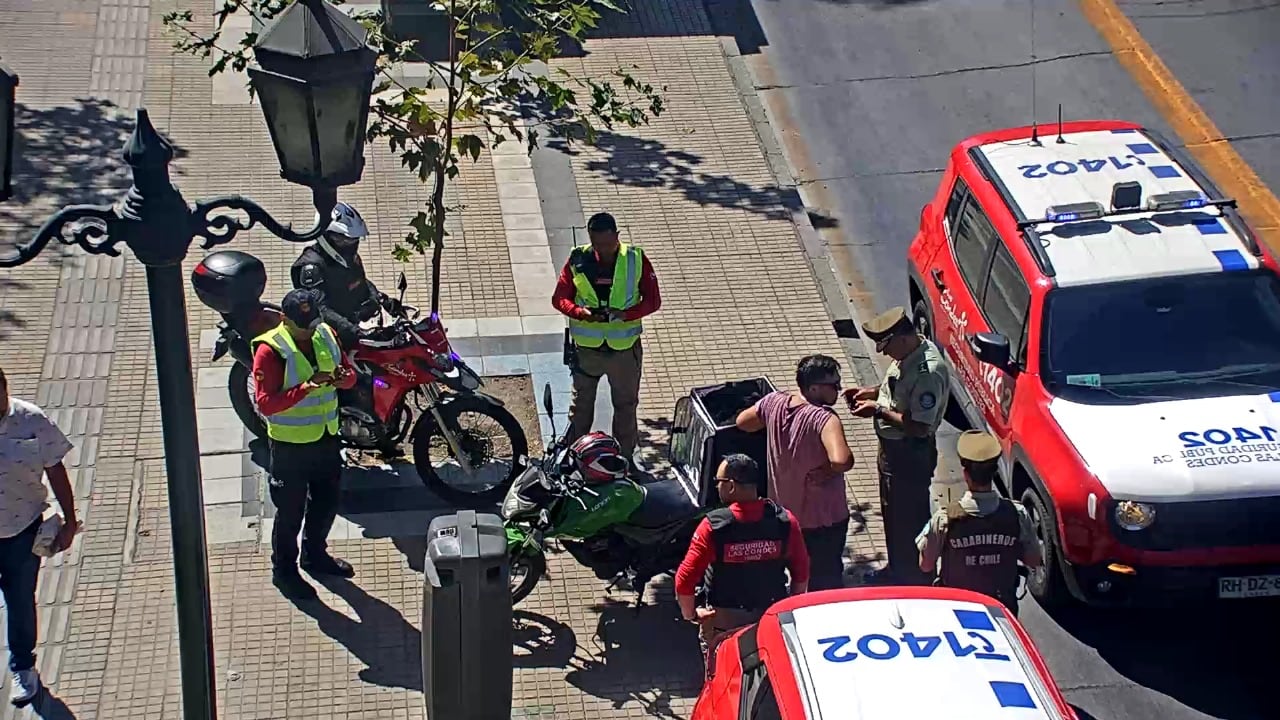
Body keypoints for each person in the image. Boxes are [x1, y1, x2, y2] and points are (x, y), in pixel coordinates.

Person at [253, 289, 359, 601]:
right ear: (284, 319)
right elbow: (266, 404)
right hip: (290, 447)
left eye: (312, 322)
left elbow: (350, 375)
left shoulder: (324, 332)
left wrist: (344, 378)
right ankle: (284, 571)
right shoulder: (271, 350)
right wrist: (307, 386)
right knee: (290, 512)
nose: (309, 329)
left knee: (327, 501)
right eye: (302, 325)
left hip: (325, 436)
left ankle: (315, 554)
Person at [674, 454, 808, 678]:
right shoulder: (785, 522)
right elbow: (801, 572)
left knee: (723, 678)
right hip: (769, 616)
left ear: (732, 486)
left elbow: (684, 581)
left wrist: (691, 615)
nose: (717, 487)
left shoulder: (713, 527)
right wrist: (788, 610)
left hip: (724, 620)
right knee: (769, 676)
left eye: (719, 482)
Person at [847, 306, 952, 585]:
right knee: (893, 515)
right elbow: (896, 387)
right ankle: (897, 569)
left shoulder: (927, 371)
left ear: (903, 338)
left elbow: (919, 426)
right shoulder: (908, 354)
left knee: (909, 520)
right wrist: (871, 392)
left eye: (885, 345)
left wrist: (878, 411)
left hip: (909, 456)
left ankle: (915, 578)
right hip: (893, 453)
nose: (882, 353)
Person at [735, 355, 854, 591]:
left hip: (783, 516)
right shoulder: (825, 419)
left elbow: (742, 422)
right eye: (834, 385)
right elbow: (842, 460)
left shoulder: (774, 402)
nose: (839, 390)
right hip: (823, 520)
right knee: (824, 579)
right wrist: (826, 470)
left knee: (789, 572)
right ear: (813, 388)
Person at [551, 212, 661, 466]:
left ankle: (623, 461)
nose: (602, 250)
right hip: (587, 351)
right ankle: (575, 457)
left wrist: (627, 314)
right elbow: (559, 298)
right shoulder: (578, 258)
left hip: (623, 351)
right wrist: (580, 313)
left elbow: (653, 300)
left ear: (617, 237)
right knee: (580, 408)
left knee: (625, 407)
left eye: (607, 244)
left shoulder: (635, 259)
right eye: (596, 244)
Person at [0, 365, 79, 706]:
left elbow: (56, 469)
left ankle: (23, 666)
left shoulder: (31, 421)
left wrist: (70, 521)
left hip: (22, 530)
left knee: (19, 601)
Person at [917, 431, 1041, 614]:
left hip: (958, 609)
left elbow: (925, 565)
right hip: (1002, 609)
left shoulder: (945, 519)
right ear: (994, 471)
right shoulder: (1017, 514)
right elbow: (1033, 559)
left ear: (965, 473)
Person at [291, 202, 401, 349]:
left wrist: (381, 299)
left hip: (358, 329)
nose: (351, 244)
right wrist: (355, 331)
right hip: (330, 340)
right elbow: (321, 309)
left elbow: (359, 281)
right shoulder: (312, 268)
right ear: (326, 235)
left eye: (354, 240)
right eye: (346, 240)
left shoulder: (347, 258)